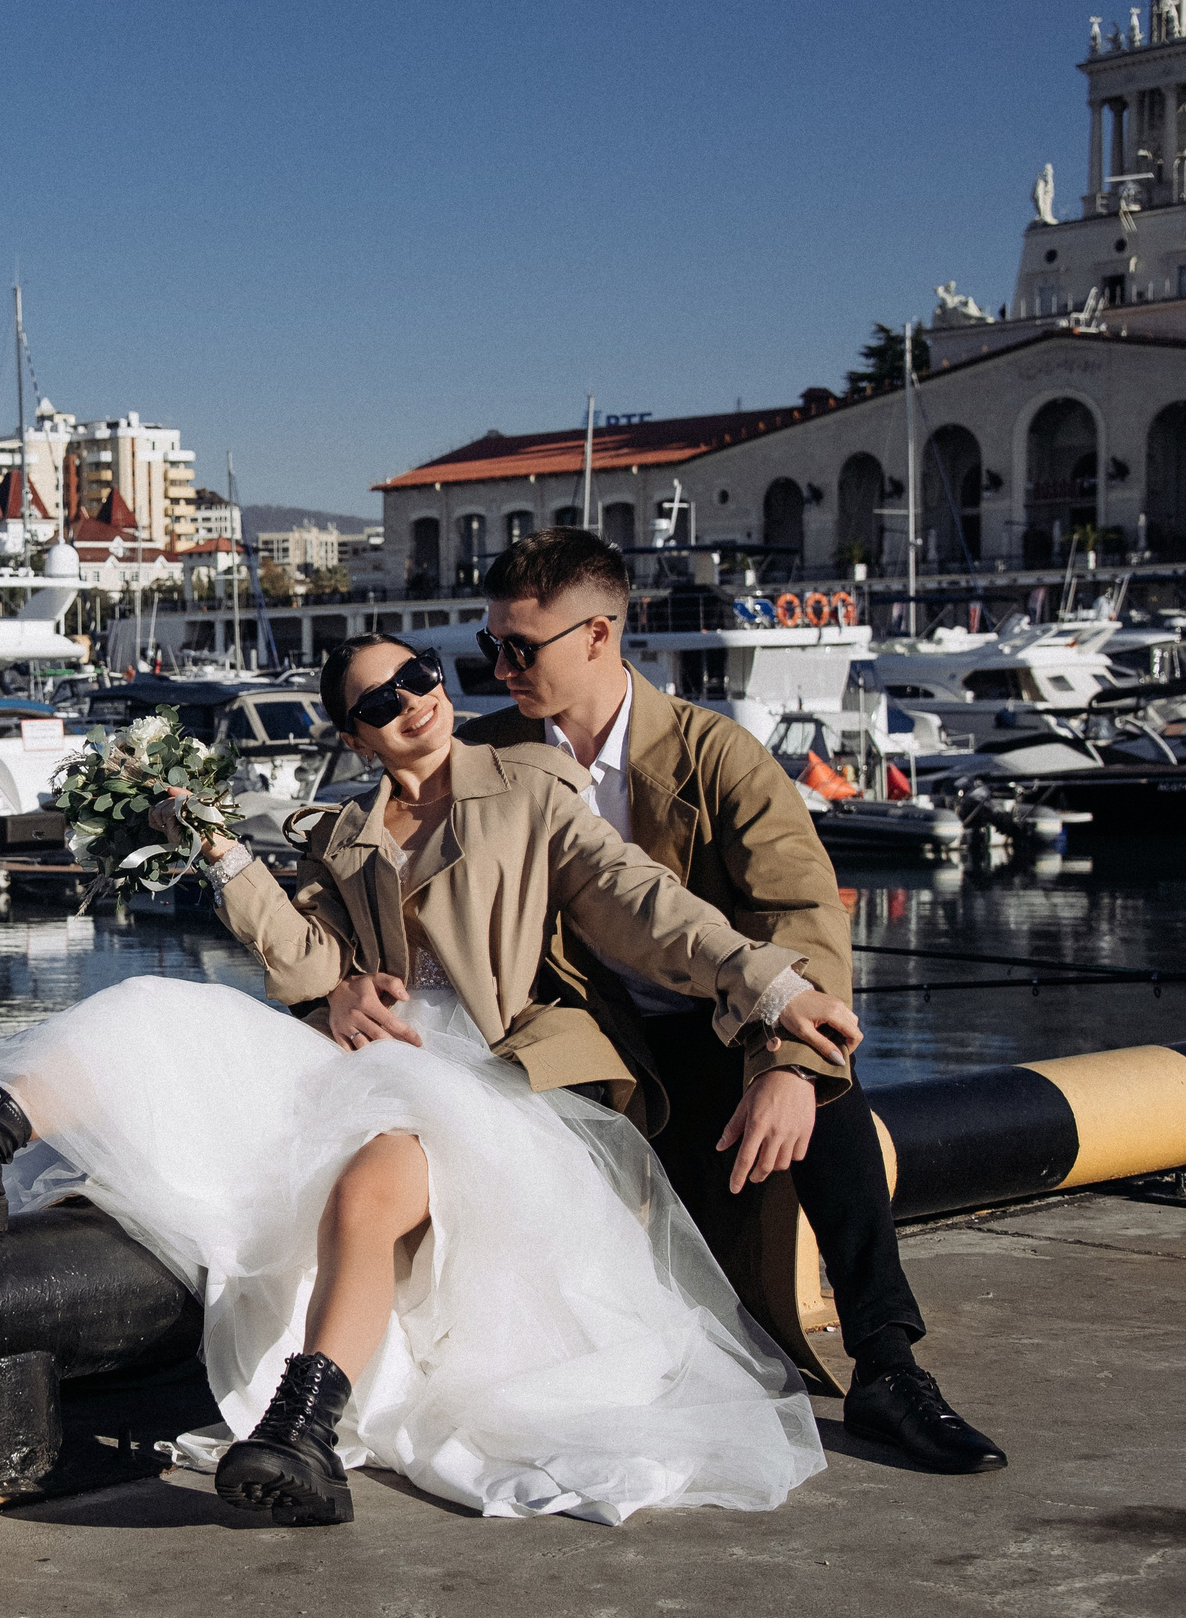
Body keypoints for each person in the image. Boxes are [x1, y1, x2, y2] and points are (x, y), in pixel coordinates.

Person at [0, 634, 858, 1526]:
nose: (413, 701)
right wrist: (230, 864)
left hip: (499, 1079)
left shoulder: (529, 788)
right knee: (155, 1007)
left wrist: (768, 985)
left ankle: (302, 1427)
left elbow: (643, 903)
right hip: (368, 1060)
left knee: (371, 1179)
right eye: (380, 701)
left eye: (419, 676)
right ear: (354, 734)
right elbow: (308, 960)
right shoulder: (338, 833)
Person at [392, 525, 1000, 1476]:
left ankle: (889, 1366)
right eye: (490, 646)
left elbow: (801, 916)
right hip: (583, 1043)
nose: (499, 669)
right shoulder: (486, 756)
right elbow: (395, 876)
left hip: (721, 1027)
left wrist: (787, 1066)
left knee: (830, 1089)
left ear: (599, 635)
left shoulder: (719, 755)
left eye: (520, 648)